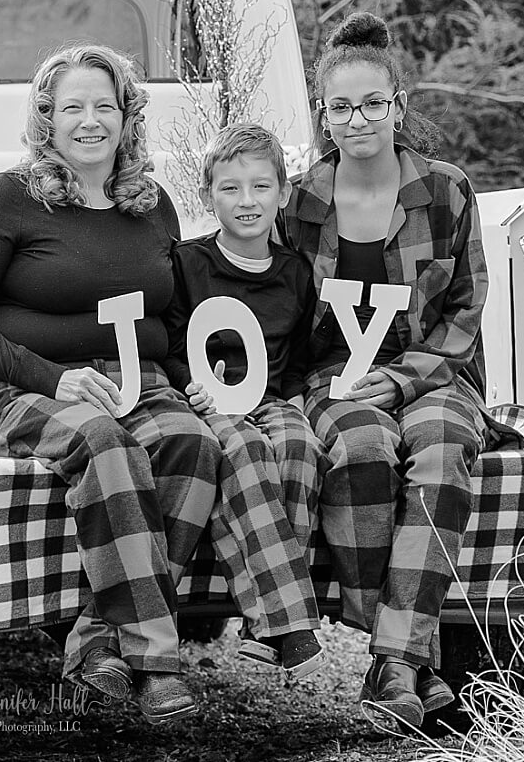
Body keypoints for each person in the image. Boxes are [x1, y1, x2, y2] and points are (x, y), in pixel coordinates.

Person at [0, 43, 226, 725]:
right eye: (72, 107)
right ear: (46, 119)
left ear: (127, 117)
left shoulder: (153, 207)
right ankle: (156, 660)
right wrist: (54, 379)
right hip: (12, 389)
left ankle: (97, 636)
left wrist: (194, 383)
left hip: (136, 379)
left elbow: (171, 317)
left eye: (104, 105)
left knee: (192, 443)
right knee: (106, 442)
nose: (89, 121)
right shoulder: (11, 197)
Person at [279, 11, 496, 730]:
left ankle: (394, 661)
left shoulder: (445, 190)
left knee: (439, 451)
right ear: (324, 115)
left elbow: (466, 309)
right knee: (364, 450)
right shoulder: (304, 200)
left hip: (434, 373)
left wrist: (405, 379)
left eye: (373, 102)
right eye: (341, 106)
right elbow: (283, 307)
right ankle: (408, 658)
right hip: (339, 375)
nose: (358, 118)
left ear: (399, 105)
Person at [161, 123, 325, 677]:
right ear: (208, 195)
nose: (247, 201)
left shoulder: (296, 274)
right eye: (230, 188)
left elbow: (299, 354)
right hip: (210, 400)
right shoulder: (187, 264)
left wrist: (299, 398)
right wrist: (190, 384)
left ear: (282, 193)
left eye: (260, 187)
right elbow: (169, 339)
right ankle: (288, 624)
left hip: (272, 398)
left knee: (299, 446)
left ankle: (266, 622)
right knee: (246, 452)